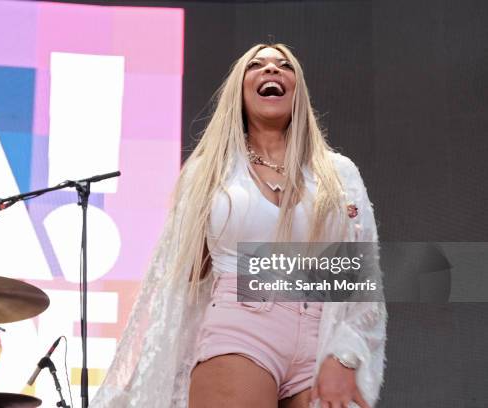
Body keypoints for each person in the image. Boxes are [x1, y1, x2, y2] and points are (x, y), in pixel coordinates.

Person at [90, 43, 387, 408]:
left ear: (298, 88)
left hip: (321, 335)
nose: (271, 70)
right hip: (241, 329)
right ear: (240, 89)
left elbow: (358, 279)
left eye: (284, 65)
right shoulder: (210, 170)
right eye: (257, 65)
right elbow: (183, 279)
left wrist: (346, 353)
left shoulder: (339, 174)